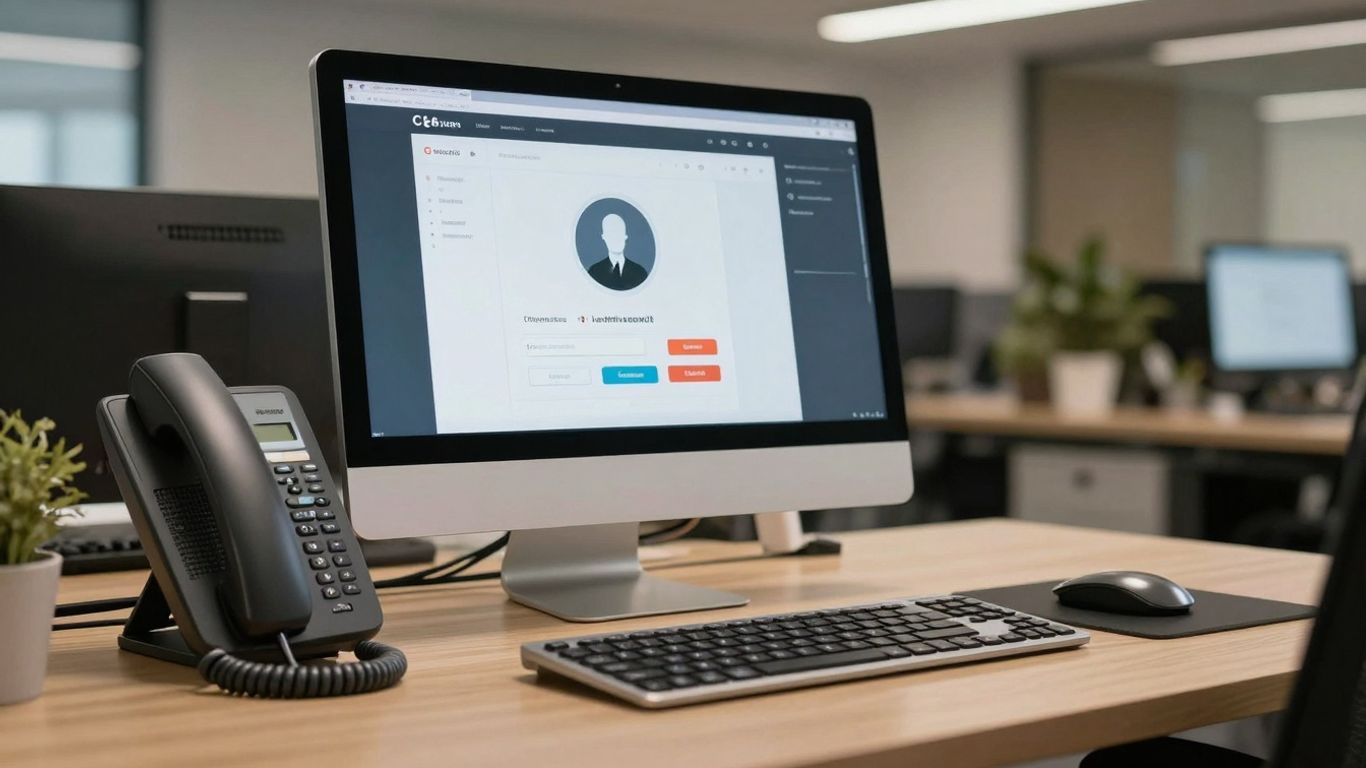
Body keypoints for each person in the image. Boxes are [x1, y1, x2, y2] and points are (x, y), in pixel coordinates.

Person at [586, 213, 648, 290]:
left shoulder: (640, 273)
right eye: (611, 234)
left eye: (619, 232)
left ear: (625, 236)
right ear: (604, 237)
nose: (616, 238)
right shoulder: (594, 272)